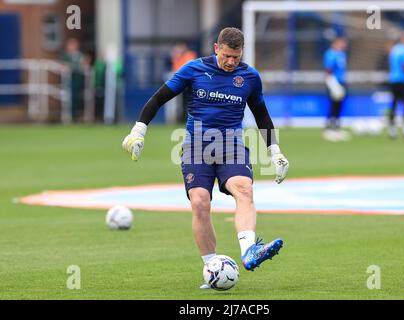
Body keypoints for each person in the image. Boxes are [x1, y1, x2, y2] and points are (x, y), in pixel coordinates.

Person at [122, 27, 289, 289]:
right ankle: (212, 267)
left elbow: (261, 115)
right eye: (226, 56)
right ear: (216, 48)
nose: (231, 62)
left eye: (236, 56)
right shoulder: (194, 69)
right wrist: (138, 130)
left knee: (244, 189)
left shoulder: (250, 77)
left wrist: (275, 151)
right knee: (200, 202)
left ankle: (249, 251)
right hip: (196, 146)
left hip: (231, 146)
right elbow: (159, 98)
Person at [323, 37, 350, 142]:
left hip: (342, 82)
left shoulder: (342, 54)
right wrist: (332, 84)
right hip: (334, 83)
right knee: (333, 105)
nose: (343, 45)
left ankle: (337, 129)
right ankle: (328, 129)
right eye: (341, 43)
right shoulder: (330, 54)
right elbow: (328, 70)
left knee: (339, 105)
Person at [170, 42, 198, 123]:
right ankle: (182, 118)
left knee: (189, 101)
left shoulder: (189, 55)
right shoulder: (178, 57)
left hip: (190, 82)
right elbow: (175, 68)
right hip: (181, 82)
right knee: (182, 102)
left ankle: (187, 118)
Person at [60, 38, 86, 122]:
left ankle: (75, 115)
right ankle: (69, 116)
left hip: (78, 79)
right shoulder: (65, 55)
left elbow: (82, 65)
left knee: (76, 97)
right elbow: (64, 65)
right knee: (69, 97)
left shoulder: (79, 55)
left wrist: (74, 67)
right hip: (69, 80)